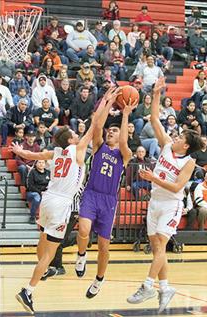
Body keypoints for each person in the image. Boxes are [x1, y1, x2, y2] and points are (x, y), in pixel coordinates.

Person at [11, 91, 118, 314]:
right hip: (61, 204)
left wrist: (19, 151)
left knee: (44, 242)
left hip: (47, 200)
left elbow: (34, 157)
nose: (76, 134)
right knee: (50, 254)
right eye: (72, 133)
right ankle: (28, 291)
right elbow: (96, 123)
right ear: (70, 139)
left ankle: (46, 270)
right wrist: (106, 101)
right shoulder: (78, 150)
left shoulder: (56, 151)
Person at [126, 77, 204, 313]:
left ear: (187, 146)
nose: (176, 137)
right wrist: (156, 92)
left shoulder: (189, 162)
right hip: (155, 202)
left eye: (181, 137)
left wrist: (154, 179)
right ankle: (166, 287)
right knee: (157, 247)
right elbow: (153, 118)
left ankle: (148, 286)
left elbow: (176, 187)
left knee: (160, 245)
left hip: (171, 204)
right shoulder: (168, 145)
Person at [75, 87, 137, 299]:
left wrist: (126, 113)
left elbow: (124, 141)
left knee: (103, 246)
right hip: (92, 194)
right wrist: (108, 102)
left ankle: (99, 279)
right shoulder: (99, 146)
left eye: (114, 130)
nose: (110, 132)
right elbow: (98, 126)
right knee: (83, 230)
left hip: (109, 201)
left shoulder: (124, 154)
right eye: (110, 131)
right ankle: (81, 255)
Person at [26, 160, 51, 224]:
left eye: (43, 162)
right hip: (32, 192)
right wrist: (40, 192)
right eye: (39, 162)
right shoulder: (32, 172)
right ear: (36, 164)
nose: (41, 164)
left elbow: (52, 184)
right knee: (37, 196)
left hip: (45, 192)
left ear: (45, 164)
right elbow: (30, 186)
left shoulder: (48, 172)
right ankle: (32, 216)